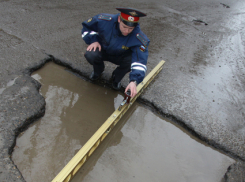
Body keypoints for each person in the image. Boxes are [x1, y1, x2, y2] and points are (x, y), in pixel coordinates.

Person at [81, 7, 150, 98]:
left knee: (131, 62)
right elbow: (86, 27)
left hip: (120, 56)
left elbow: (139, 61)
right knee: (91, 54)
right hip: (103, 49)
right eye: (124, 27)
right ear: (119, 19)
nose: (126, 31)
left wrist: (134, 81)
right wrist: (93, 40)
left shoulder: (139, 38)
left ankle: (116, 78)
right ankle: (98, 70)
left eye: (130, 28)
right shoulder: (104, 20)